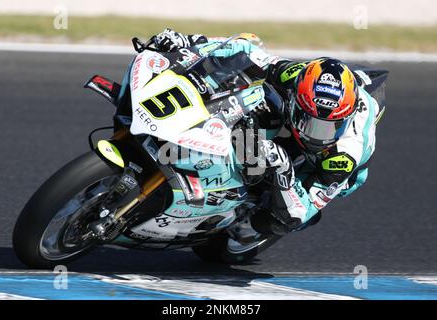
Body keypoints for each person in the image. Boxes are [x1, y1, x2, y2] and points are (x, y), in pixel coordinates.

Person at [153, 29, 381, 241]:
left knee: (283, 220)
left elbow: (300, 211)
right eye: (308, 123)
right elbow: (246, 51)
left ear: (345, 120)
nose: (316, 136)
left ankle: (246, 228)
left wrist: (284, 169)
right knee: (255, 97)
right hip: (294, 111)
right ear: (296, 101)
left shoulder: (343, 158)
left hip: (324, 169)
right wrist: (191, 42)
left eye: (326, 128)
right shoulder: (294, 77)